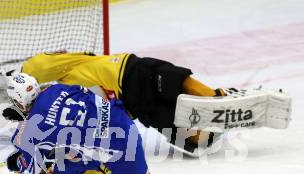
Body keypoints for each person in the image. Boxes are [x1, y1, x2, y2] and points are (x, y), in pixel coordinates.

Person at [0, 73, 244, 174]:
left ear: (17, 102)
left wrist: (16, 156)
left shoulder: (30, 131)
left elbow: (28, 168)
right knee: (66, 163)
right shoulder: (57, 87)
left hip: (118, 150)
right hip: (117, 124)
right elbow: (94, 93)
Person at [17, 52, 228, 152]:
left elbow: (38, 65)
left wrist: (17, 80)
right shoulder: (60, 104)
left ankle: (216, 99)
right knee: (197, 142)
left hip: (129, 73)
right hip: (136, 107)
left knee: (177, 83)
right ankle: (219, 119)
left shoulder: (67, 66)